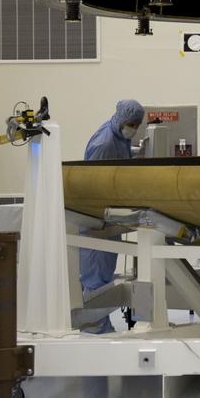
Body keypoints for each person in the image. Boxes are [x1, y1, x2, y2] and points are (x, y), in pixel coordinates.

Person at [78, 99, 145, 332]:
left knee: (104, 275)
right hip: (97, 222)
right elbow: (94, 185)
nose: (133, 129)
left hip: (107, 221)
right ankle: (94, 329)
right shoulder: (104, 143)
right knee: (96, 277)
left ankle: (100, 325)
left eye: (136, 125)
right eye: (131, 124)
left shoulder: (118, 137)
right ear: (120, 119)